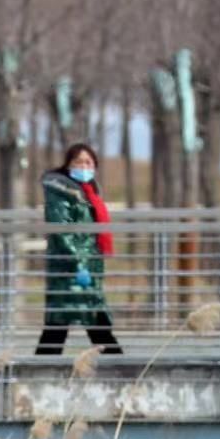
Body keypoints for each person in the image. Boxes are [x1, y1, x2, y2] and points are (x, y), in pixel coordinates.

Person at [35, 142, 123, 357]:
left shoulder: (89, 192)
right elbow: (60, 228)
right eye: (78, 161)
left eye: (88, 162)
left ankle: (41, 369)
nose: (84, 166)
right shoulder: (60, 191)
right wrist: (79, 264)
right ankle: (123, 371)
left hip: (87, 266)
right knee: (75, 321)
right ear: (68, 165)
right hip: (70, 267)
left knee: (66, 323)